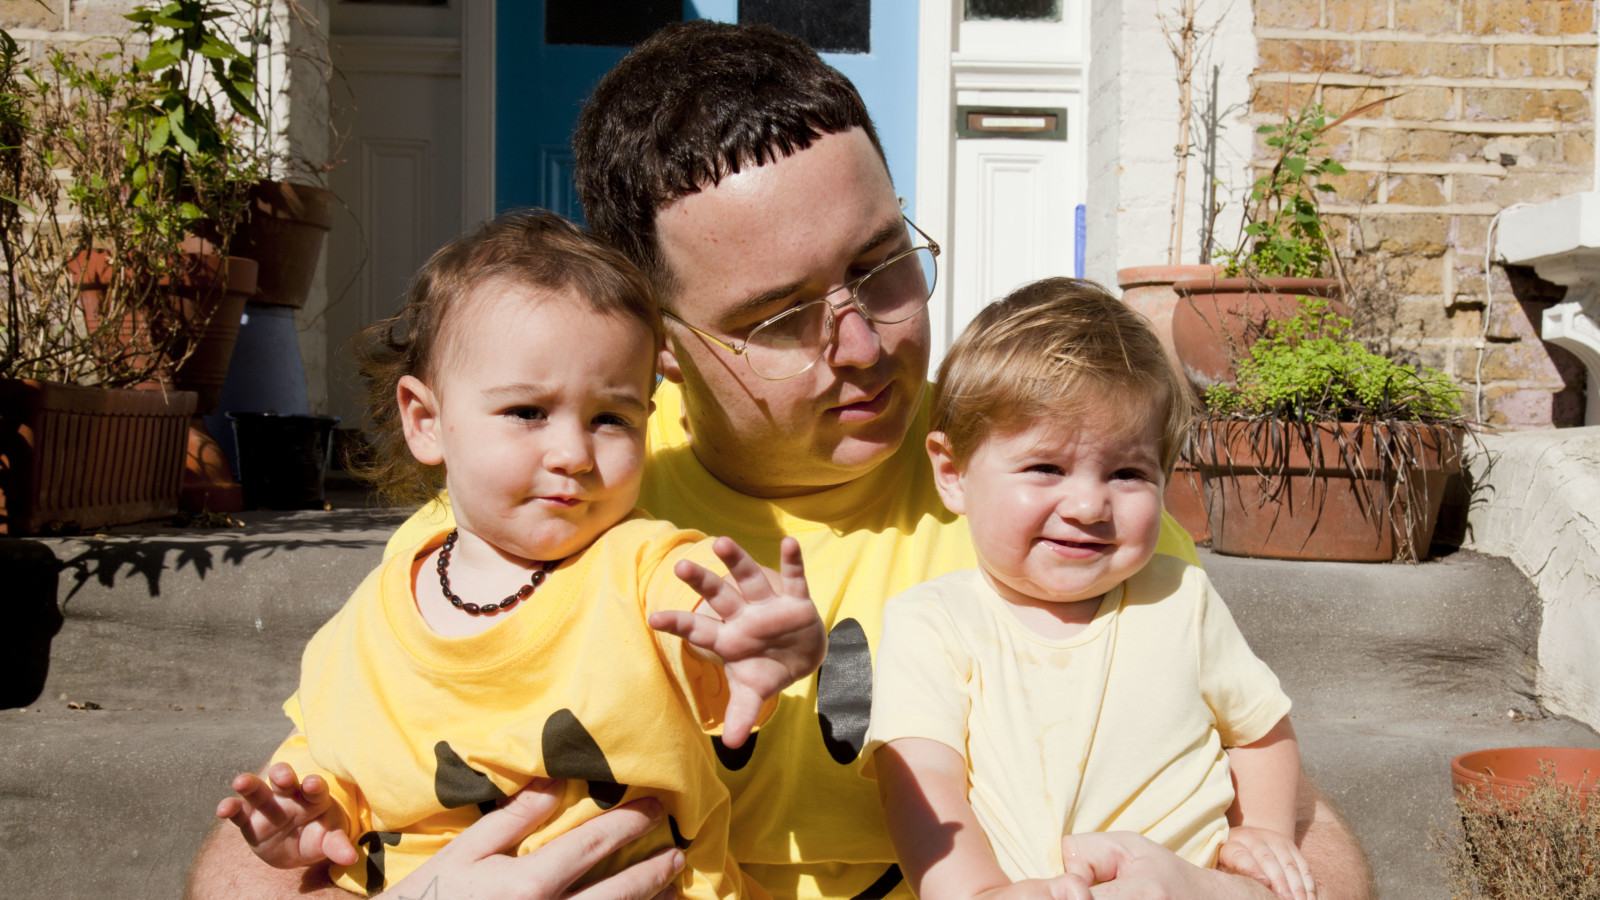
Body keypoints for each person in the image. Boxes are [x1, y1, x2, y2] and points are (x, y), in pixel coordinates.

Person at [186, 20, 1374, 900]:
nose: (862, 343)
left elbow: (1306, 836)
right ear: (657, 346)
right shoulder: (560, 498)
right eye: (774, 319)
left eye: (882, 262)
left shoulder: (1050, 498)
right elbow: (254, 854)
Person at [209, 211, 826, 896]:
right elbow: (334, 770)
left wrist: (753, 639)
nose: (572, 454)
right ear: (425, 421)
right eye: (528, 412)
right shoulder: (360, 631)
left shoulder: (643, 565)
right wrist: (306, 818)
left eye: (611, 419)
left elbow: (705, 612)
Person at [864, 279, 1313, 900]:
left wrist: (1263, 829)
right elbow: (922, 781)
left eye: (1128, 472)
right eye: (1045, 467)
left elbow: (1260, 728)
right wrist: (976, 893)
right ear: (953, 474)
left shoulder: (1180, 596)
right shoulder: (934, 622)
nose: (1086, 504)